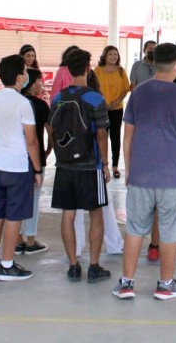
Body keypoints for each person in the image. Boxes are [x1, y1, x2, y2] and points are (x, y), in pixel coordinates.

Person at [113, 43, 176, 301]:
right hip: (174, 176)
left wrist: (129, 168)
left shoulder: (138, 93)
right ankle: (165, 285)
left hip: (141, 174)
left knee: (135, 229)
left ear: (153, 64)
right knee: (171, 231)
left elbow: (127, 136)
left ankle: (126, 284)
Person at [50, 50, 111, 283]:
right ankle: (94, 266)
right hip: (89, 165)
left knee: (68, 214)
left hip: (65, 164)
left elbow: (52, 129)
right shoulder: (95, 98)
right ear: (88, 67)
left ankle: (73, 266)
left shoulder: (58, 98)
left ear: (67, 69)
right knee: (96, 214)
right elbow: (102, 134)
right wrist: (105, 164)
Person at [0, 55, 42, 282]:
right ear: (19, 77)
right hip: (16, 168)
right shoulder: (22, 103)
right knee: (14, 217)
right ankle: (8, 264)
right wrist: (37, 169)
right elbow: (32, 141)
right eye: (26, 72)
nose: (27, 76)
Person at [17, 68, 51, 256]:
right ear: (32, 82)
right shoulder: (39, 105)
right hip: (35, 157)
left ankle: (17, 240)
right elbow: (50, 131)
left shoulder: (14, 102)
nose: (42, 85)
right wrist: (48, 151)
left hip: (15, 158)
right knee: (33, 199)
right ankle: (30, 239)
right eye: (40, 81)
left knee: (16, 198)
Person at [95, 45, 130, 179]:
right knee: (100, 136)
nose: (113, 56)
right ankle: (102, 165)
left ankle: (115, 166)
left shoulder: (121, 71)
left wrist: (116, 102)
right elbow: (93, 87)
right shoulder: (97, 70)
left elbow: (126, 88)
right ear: (105, 56)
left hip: (117, 109)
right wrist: (103, 102)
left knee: (115, 137)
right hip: (101, 108)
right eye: (110, 54)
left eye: (115, 54)